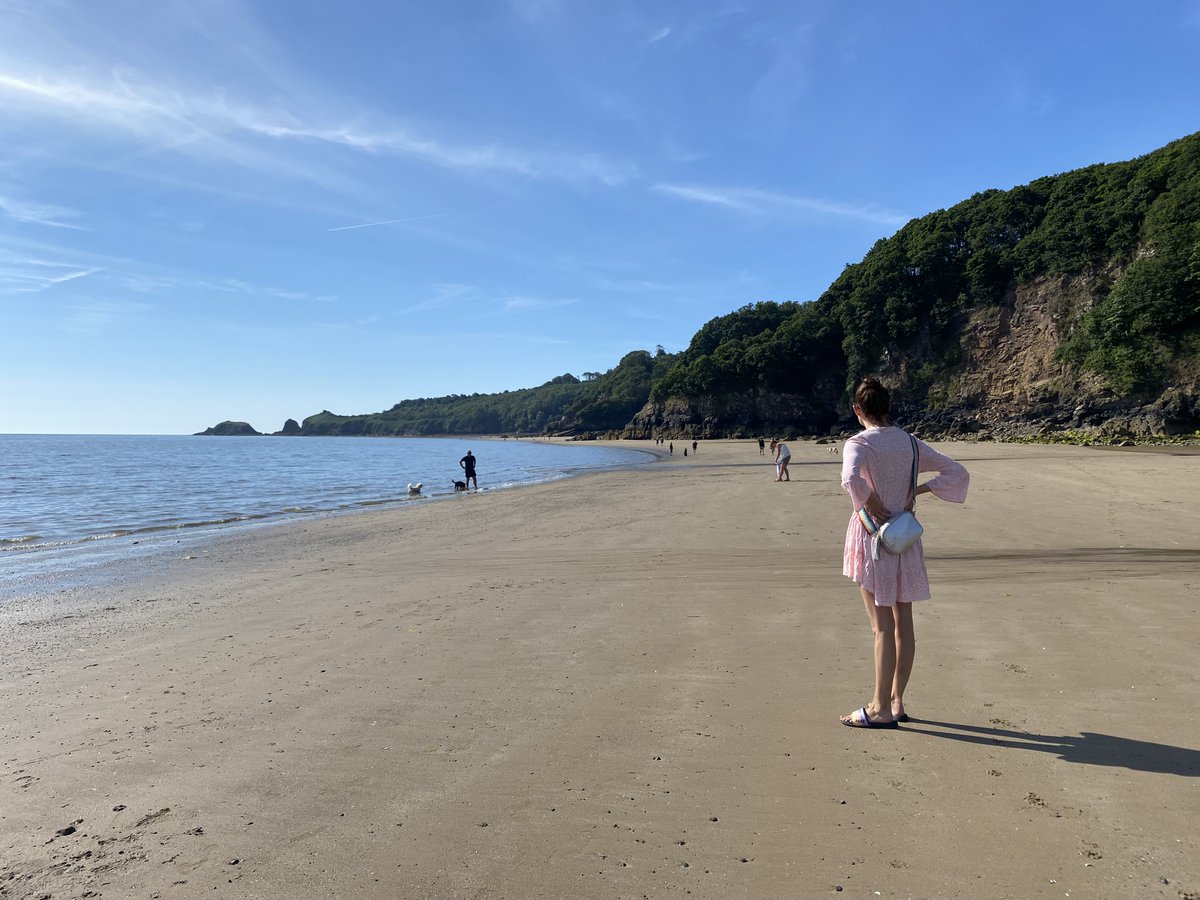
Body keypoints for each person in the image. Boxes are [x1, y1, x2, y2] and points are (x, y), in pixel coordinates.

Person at [838, 378, 969, 728]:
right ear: (888, 407)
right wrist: (918, 489)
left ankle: (879, 709)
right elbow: (957, 472)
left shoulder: (859, 443)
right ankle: (896, 702)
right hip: (905, 536)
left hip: (873, 537)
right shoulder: (910, 443)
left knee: (881, 627)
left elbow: (851, 479)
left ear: (858, 410)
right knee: (903, 625)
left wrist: (872, 500)